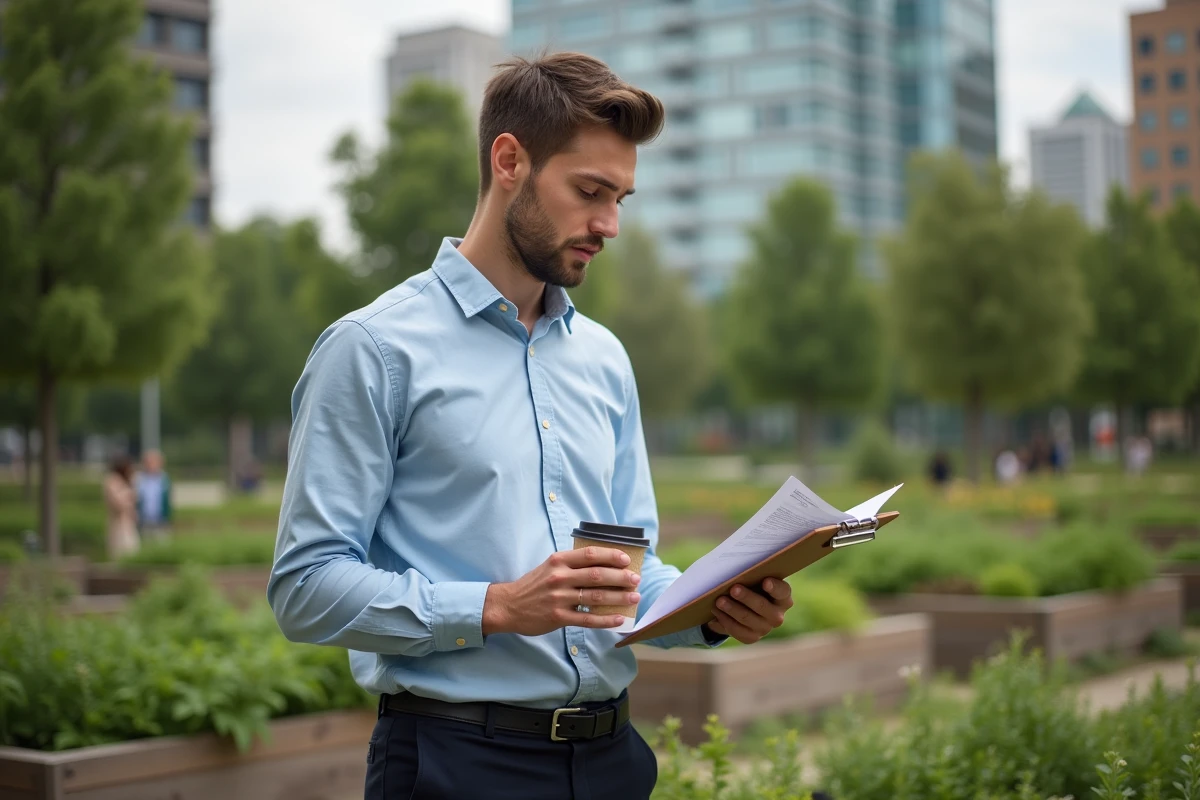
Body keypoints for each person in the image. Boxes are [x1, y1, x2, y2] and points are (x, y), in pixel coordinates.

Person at [268, 52, 796, 800]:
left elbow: (629, 578)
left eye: (621, 198)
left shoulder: (605, 360)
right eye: (589, 191)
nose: (609, 224)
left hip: (614, 760)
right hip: (457, 766)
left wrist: (714, 610)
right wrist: (496, 606)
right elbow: (304, 586)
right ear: (509, 160)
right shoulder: (373, 350)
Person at [103, 454, 139, 561]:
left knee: (131, 551)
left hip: (128, 522)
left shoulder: (128, 480)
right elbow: (118, 503)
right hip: (118, 523)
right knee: (120, 552)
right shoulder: (112, 481)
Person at [134, 449, 172, 539]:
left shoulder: (164, 479)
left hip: (160, 519)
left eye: (154, 462)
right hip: (143, 519)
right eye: (149, 462)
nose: (152, 465)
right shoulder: (139, 479)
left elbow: (167, 500)